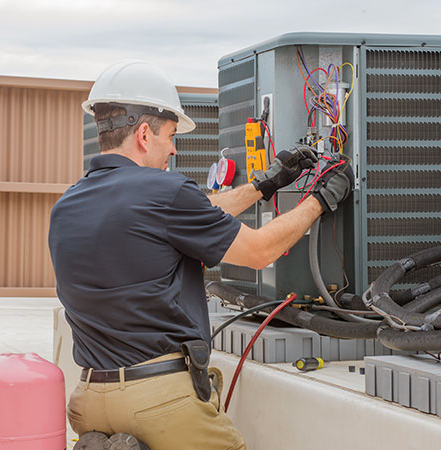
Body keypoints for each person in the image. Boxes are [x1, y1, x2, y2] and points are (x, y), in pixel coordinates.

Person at [48, 60, 353, 450]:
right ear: (144, 133)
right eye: (171, 136)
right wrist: (319, 200)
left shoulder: (68, 204)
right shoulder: (164, 193)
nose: (174, 149)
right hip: (158, 399)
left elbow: (193, 216)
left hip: (89, 400)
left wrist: (265, 184)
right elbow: (260, 251)